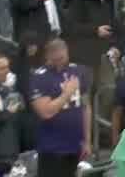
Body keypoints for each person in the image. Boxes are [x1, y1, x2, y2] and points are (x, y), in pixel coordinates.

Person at [29, 38, 92, 177]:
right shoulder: (40, 77)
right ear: (48, 56)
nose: (60, 61)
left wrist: (87, 140)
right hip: (52, 148)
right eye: (56, 58)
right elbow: (45, 112)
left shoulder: (78, 71)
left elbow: (86, 107)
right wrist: (66, 94)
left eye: (63, 57)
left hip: (75, 145)